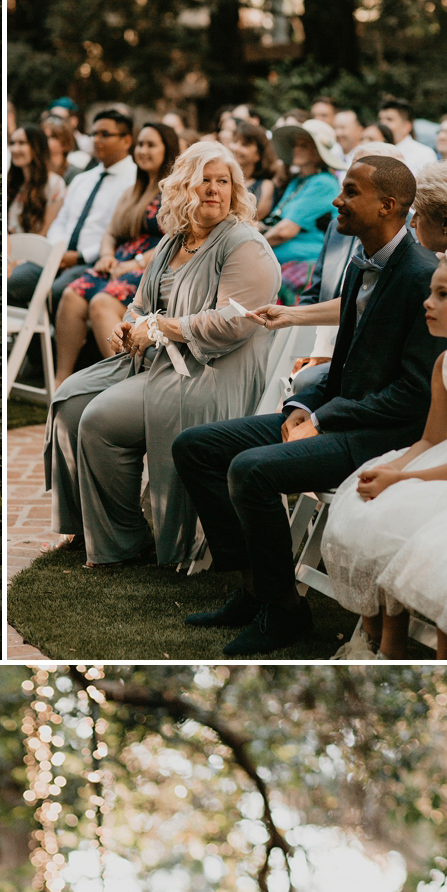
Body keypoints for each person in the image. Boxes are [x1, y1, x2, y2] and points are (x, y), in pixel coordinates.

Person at [173, 150, 438, 653]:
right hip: (336, 416)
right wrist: (303, 408)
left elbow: (413, 395)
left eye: (350, 192)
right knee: (195, 447)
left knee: (251, 471)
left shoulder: (420, 275)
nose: (336, 200)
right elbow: (342, 365)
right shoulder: (361, 262)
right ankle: (255, 588)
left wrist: (324, 416)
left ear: (388, 205)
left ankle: (286, 612)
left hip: (381, 436)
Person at [48, 140, 281, 571]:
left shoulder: (245, 244)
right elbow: (140, 303)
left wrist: (160, 327)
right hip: (159, 361)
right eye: (203, 181)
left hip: (210, 370)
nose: (213, 190)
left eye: (222, 182)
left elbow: (235, 323)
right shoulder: (174, 240)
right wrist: (128, 323)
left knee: (99, 421)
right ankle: (91, 527)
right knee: (71, 398)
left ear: (235, 190)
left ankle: (129, 541)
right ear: (182, 188)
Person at [319, 248, 447, 658]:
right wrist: (392, 468)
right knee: (370, 505)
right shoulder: (445, 363)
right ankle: (385, 644)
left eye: (443, 294)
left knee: (405, 519)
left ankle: (443, 656)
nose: (428, 302)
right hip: (444, 457)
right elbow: (431, 440)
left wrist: (405, 479)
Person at [52, 120, 180, 381]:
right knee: (71, 295)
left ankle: (124, 382)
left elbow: (176, 240)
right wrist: (108, 255)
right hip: (119, 260)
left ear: (167, 150)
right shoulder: (132, 190)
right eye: (140, 144)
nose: (143, 150)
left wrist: (134, 263)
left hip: (152, 266)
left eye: (151, 145)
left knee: (101, 303)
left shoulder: (176, 193)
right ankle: (60, 381)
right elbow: (111, 231)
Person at [7, 110, 137, 314]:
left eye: (104, 134)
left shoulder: (134, 180)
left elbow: (119, 232)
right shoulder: (83, 179)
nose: (96, 140)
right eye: (93, 134)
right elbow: (61, 220)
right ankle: (28, 343)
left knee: (58, 291)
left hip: (94, 261)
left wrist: (77, 257)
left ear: (126, 140)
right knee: (13, 281)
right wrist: (59, 251)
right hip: (56, 255)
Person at [262, 118, 342, 300]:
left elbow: (285, 231)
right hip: (279, 261)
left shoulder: (324, 183)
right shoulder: (299, 180)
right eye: (295, 145)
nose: (296, 149)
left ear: (319, 152)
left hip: (304, 263)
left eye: (304, 145)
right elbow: (277, 220)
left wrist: (253, 247)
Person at [7, 124, 64, 239]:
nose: (14, 149)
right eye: (12, 143)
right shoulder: (10, 181)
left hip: (34, 250)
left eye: (22, 143)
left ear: (37, 147)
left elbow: (45, 232)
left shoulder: (54, 183)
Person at [376, 98, 436, 180]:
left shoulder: (424, 154)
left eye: (389, 119)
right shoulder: (372, 149)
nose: (382, 124)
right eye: (380, 119)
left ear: (406, 126)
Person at [231, 120, 278, 223]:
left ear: (258, 155)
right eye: (234, 142)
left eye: (245, 145)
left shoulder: (265, 186)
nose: (236, 148)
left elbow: (252, 221)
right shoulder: (220, 179)